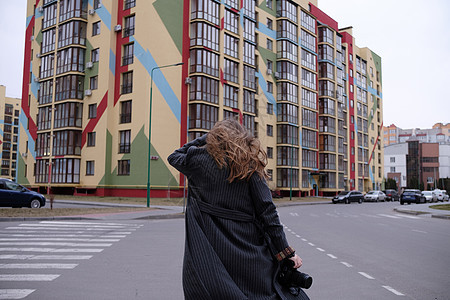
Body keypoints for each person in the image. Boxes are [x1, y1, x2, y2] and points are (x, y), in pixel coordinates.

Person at [168, 119, 306, 300]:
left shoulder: (196, 161)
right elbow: (268, 212)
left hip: (212, 254)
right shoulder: (249, 164)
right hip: (247, 251)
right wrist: (287, 252)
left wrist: (204, 138)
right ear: (241, 137)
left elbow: (174, 156)